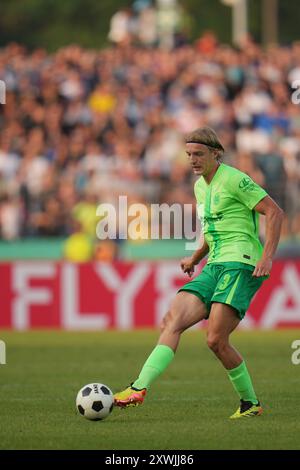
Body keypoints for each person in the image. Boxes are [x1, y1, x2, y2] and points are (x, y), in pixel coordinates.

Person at [114, 127, 284, 419]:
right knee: (173, 319)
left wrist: (267, 257)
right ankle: (138, 388)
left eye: (198, 154)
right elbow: (215, 228)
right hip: (214, 264)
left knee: (215, 339)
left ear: (215, 153)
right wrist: (195, 256)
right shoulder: (200, 186)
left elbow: (275, 212)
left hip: (241, 262)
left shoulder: (235, 179)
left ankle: (250, 403)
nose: (193, 160)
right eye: (189, 154)